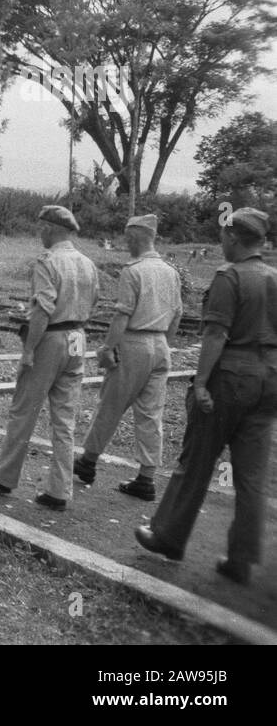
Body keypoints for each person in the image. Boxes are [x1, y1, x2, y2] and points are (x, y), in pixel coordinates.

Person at [135, 208, 277, 585]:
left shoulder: (229, 277)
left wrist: (200, 384)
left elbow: (216, 335)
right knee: (251, 474)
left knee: (196, 461)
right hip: (268, 380)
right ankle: (242, 558)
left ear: (232, 239)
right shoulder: (273, 278)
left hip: (229, 378)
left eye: (223, 236)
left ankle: (168, 536)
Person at [0, 206, 99, 510]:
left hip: (51, 339)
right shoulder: (87, 264)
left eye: (41, 227)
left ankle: (4, 475)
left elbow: (44, 309)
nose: (38, 233)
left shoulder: (47, 263)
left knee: (24, 409)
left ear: (51, 229)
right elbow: (93, 301)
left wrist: (29, 350)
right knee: (64, 419)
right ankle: (60, 489)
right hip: (77, 338)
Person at [74, 215, 182, 500]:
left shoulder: (133, 271)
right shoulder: (171, 272)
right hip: (160, 345)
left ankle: (88, 461)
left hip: (134, 343)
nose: (125, 242)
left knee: (111, 403)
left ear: (136, 237)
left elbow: (123, 314)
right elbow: (178, 314)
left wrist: (108, 347)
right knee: (151, 414)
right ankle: (146, 477)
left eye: (127, 237)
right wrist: (163, 345)